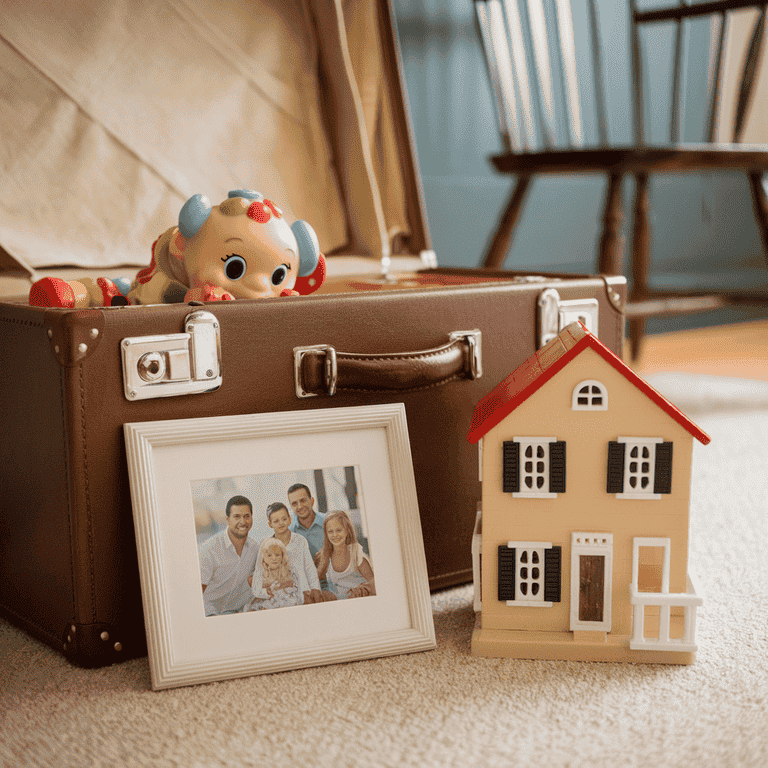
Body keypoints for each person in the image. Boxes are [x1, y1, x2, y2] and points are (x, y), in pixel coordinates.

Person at [199, 495, 258, 616]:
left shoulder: (255, 548)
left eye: (247, 516)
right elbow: (196, 595)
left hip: (241, 614)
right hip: (212, 616)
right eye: (237, 517)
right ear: (227, 520)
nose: (242, 521)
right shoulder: (209, 549)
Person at [259, 502, 323, 604]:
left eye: (284, 519)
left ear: (289, 519)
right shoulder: (267, 546)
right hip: (281, 596)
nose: (281, 523)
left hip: (304, 593)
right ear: (270, 524)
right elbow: (264, 573)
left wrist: (316, 589)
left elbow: (309, 568)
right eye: (276, 521)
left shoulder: (300, 540)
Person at [317, 510, 376, 599]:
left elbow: (373, 584)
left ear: (347, 531)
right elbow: (316, 580)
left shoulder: (356, 554)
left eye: (339, 530)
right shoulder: (326, 556)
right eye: (330, 532)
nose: (335, 535)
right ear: (326, 534)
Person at [247, 538, 302, 611]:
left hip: (287, 604)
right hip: (267, 605)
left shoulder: (290, 572)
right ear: (263, 558)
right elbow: (256, 592)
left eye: (277, 555)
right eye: (269, 555)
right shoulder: (260, 574)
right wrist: (269, 592)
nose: (274, 558)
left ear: (282, 556)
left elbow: (298, 591)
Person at [287, 483, 325, 561]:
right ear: (291, 507)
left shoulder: (328, 522)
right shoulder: (289, 532)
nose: (300, 506)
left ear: (312, 501)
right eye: (294, 504)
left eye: (303, 501)